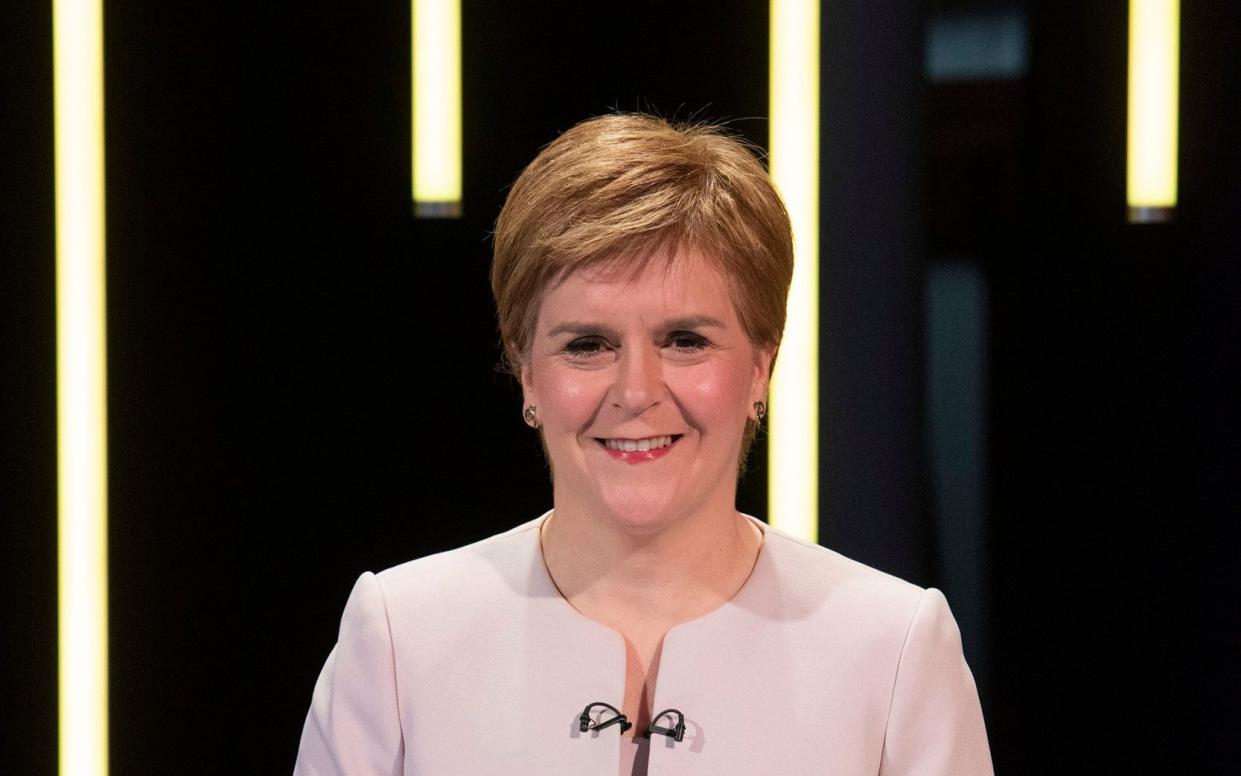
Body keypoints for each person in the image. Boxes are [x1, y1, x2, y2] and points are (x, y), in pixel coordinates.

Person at [292, 113, 993, 775]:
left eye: (685, 341)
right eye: (587, 344)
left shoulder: (894, 647)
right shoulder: (399, 636)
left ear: (760, 367)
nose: (636, 391)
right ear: (526, 371)